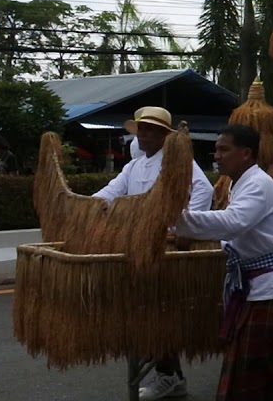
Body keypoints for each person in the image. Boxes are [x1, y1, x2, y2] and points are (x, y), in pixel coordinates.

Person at [175, 124, 273, 401]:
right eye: (216, 149)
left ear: (246, 153)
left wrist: (177, 220)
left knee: (245, 362)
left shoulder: (258, 183)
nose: (216, 156)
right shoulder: (241, 183)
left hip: (272, 286)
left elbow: (233, 222)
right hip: (269, 284)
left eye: (223, 149)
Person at [94, 107, 215, 400]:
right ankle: (170, 376)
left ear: (164, 134)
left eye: (149, 129)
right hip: (137, 249)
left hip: (165, 249)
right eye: (141, 129)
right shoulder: (133, 167)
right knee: (145, 317)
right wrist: (82, 207)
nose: (143, 134)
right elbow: (109, 193)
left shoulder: (177, 161)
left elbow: (204, 190)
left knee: (159, 316)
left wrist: (185, 226)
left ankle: (169, 377)